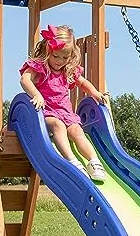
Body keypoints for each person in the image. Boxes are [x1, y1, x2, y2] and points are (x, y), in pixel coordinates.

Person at [20, 24, 108, 181]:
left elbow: (82, 83)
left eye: (65, 57)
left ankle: (94, 161)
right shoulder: (40, 67)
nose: (60, 61)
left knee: (77, 131)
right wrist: (36, 94)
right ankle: (72, 161)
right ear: (48, 50)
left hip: (65, 112)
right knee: (58, 125)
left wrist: (95, 93)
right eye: (56, 56)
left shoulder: (68, 70)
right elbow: (24, 80)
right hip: (44, 112)